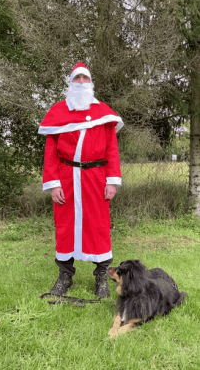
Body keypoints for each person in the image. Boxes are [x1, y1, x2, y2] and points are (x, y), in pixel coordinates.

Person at [38, 62, 124, 298]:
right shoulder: (57, 113)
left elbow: (112, 150)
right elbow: (50, 153)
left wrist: (111, 181)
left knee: (99, 225)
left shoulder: (103, 113)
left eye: (85, 79)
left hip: (96, 177)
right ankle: (65, 276)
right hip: (66, 177)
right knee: (65, 226)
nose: (82, 83)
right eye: (78, 79)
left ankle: (101, 277)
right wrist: (54, 183)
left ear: (91, 83)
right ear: (71, 83)